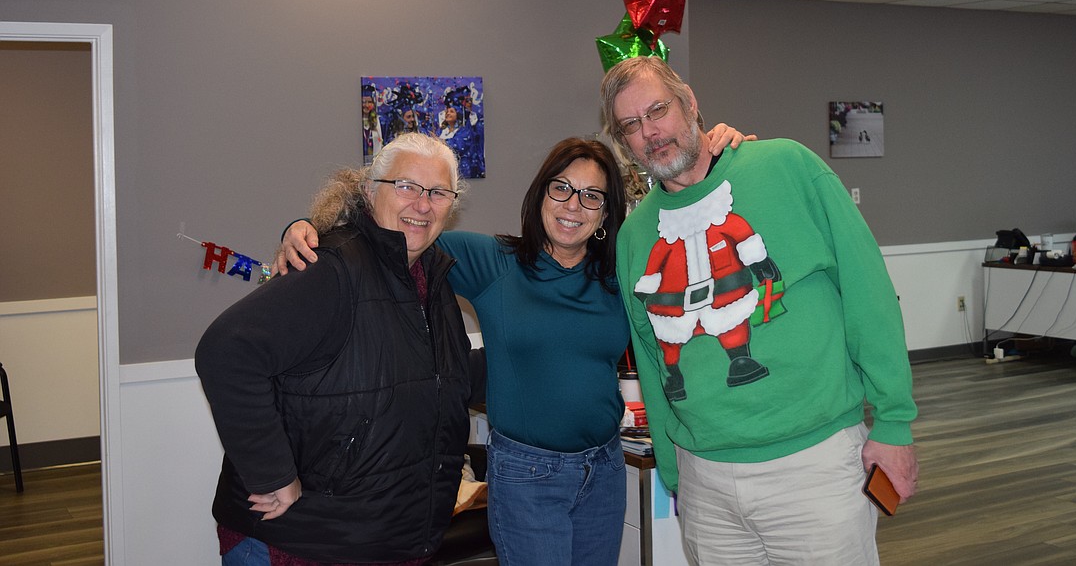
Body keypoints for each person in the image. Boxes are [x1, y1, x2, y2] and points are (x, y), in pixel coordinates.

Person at [278, 129, 751, 566]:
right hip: (528, 477)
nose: (574, 205)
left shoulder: (620, 277)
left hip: (605, 470)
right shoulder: (492, 262)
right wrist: (309, 227)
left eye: (592, 196)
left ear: (607, 214)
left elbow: (701, 239)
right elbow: (400, 229)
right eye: (561, 188)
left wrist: (724, 157)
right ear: (541, 194)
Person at [599, 56, 918, 566]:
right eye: (631, 126)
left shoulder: (787, 167)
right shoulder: (637, 234)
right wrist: (674, 469)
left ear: (691, 105)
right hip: (706, 484)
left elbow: (868, 294)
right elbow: (652, 356)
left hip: (816, 466)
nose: (650, 132)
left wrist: (894, 423)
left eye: (658, 110)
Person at [196, 133, 485, 565]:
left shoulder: (431, 278)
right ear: (369, 191)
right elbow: (226, 351)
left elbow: (441, 378)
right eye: (406, 186)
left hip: (386, 542)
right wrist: (273, 474)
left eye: (438, 192)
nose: (422, 205)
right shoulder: (331, 268)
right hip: (298, 542)